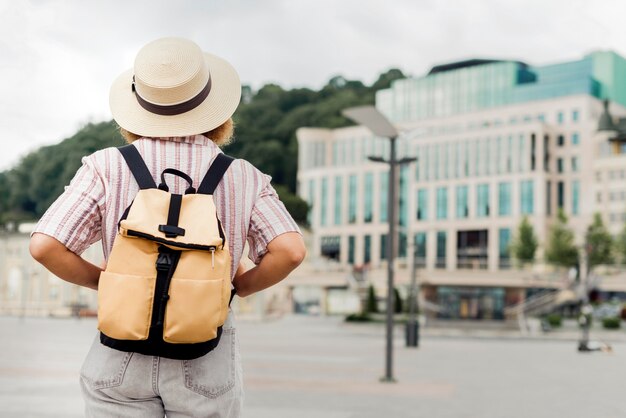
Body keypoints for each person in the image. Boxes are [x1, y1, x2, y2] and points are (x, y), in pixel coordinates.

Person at [29, 37, 305, 417]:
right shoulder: (244, 177)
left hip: (120, 355)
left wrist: (107, 280)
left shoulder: (106, 166)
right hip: (204, 354)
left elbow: (45, 245)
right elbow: (290, 251)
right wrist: (239, 285)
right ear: (216, 110)